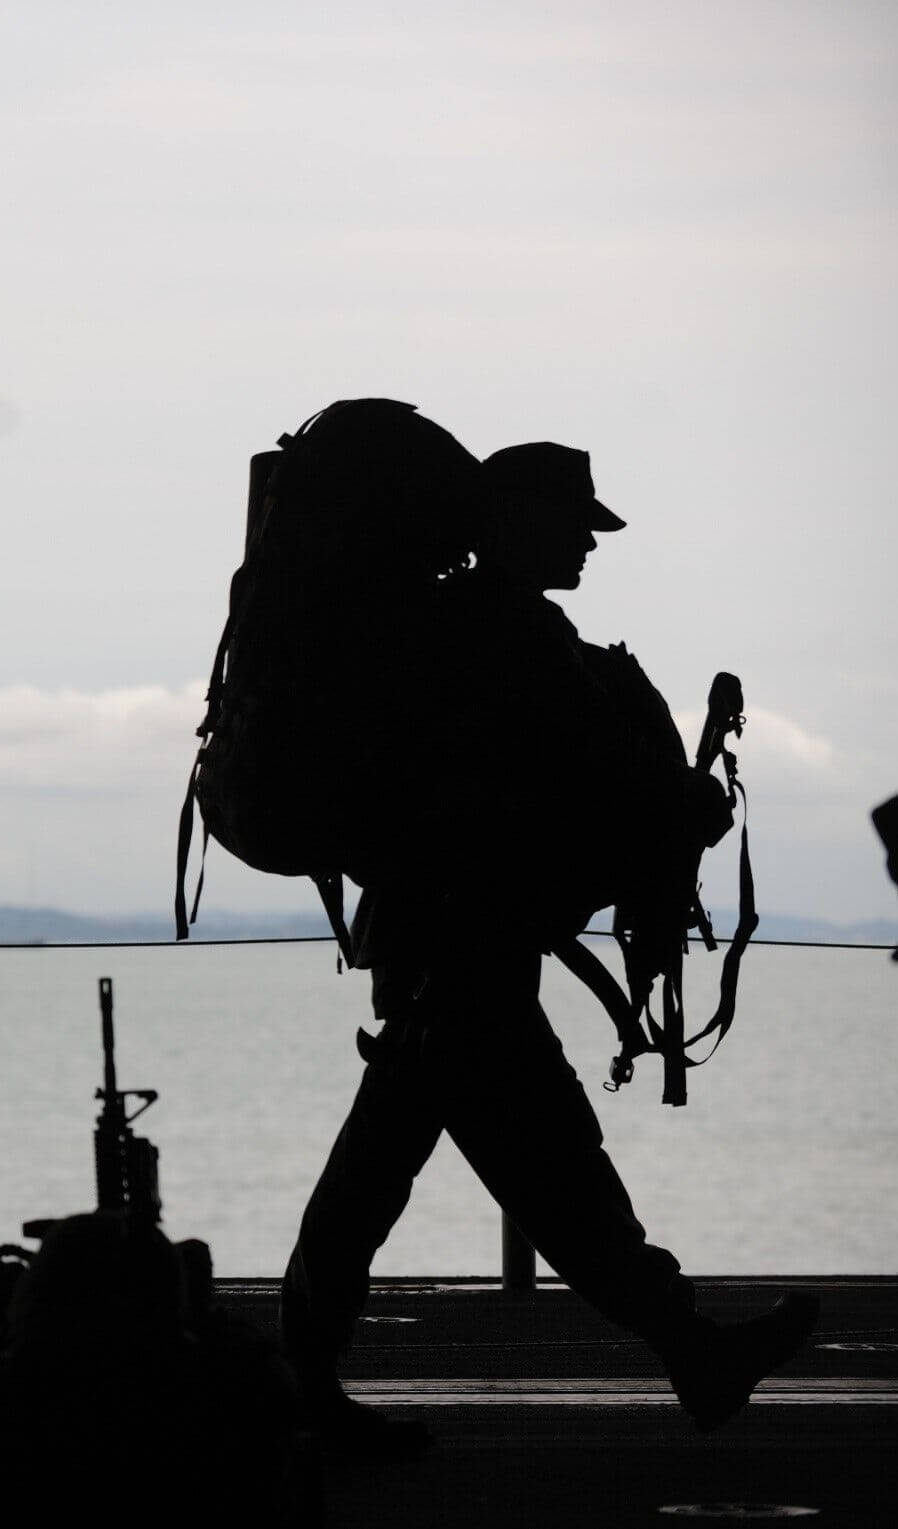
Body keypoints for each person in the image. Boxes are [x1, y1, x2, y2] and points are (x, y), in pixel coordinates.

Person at [278, 440, 818, 1455]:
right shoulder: (508, 634)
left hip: (445, 947)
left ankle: (300, 1378)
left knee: (430, 1175)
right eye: (574, 523)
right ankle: (691, 1347)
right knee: (547, 1175)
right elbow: (590, 778)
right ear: (515, 520)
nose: (587, 541)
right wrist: (693, 801)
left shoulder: (453, 629)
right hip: (462, 953)